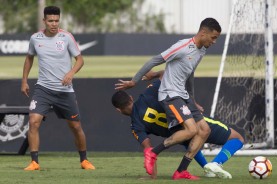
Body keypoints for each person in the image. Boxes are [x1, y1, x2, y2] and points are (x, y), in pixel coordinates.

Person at [115, 18, 221, 179]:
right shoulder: (183, 46)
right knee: (191, 130)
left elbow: (189, 74)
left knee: (205, 130)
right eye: (213, 38)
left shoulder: (201, 51)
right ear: (203, 33)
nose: (214, 42)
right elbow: (155, 60)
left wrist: (192, 99)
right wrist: (134, 81)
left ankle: (181, 171)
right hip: (170, 94)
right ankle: (153, 153)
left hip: (183, 95)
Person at [111, 79, 244, 179]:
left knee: (189, 143)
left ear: (118, 110)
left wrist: (153, 176)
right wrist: (192, 102)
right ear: (131, 98)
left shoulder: (136, 126)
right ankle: (216, 162)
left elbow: (147, 148)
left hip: (178, 134)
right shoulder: (148, 93)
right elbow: (167, 77)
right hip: (192, 122)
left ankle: (207, 168)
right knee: (237, 138)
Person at [21, 6, 95, 171]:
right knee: (33, 122)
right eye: (50, 21)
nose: (54, 24)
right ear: (44, 21)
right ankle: (34, 162)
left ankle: (84, 160)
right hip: (43, 89)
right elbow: (29, 59)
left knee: (75, 126)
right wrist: (24, 80)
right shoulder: (35, 38)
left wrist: (71, 73)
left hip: (65, 91)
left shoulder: (66, 37)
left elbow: (80, 60)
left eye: (56, 20)